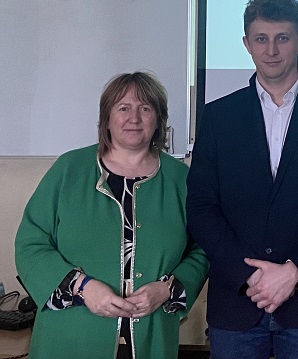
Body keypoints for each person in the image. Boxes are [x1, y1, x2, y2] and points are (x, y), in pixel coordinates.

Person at [186, 0, 298, 359]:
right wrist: (251, 276)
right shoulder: (218, 117)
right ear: (246, 44)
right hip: (237, 302)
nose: (271, 50)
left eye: (282, 38)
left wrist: (295, 271)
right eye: (261, 39)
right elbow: (201, 208)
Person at [15, 72, 209, 359]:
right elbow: (31, 244)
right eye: (123, 108)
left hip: (152, 335)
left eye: (145, 108)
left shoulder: (182, 180)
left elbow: (204, 248)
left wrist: (167, 289)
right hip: (71, 336)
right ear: (106, 119)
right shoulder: (69, 170)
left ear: (159, 120)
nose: (134, 118)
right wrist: (82, 287)